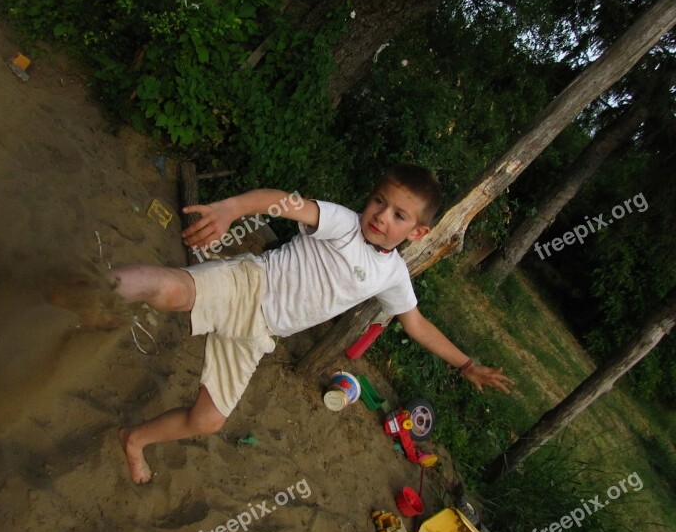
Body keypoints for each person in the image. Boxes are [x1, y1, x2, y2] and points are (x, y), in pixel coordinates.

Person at [110, 164, 514, 484]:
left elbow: (417, 325)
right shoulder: (342, 223)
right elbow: (283, 202)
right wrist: (232, 208)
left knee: (208, 420)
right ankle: (100, 285)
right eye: (379, 201)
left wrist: (465, 364)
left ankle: (135, 439)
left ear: (418, 232)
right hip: (249, 286)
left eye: (398, 215)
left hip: (258, 336)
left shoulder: (393, 275)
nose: (380, 216)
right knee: (173, 290)